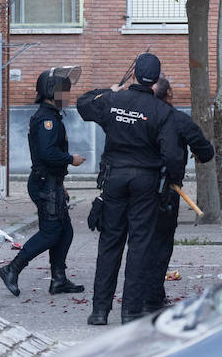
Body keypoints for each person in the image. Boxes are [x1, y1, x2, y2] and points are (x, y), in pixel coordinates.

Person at [77, 52, 186, 325]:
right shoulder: (161, 111)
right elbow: (172, 155)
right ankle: (130, 310)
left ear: (135, 74)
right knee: (139, 245)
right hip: (145, 182)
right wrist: (171, 182)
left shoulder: (114, 101)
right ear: (156, 80)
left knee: (109, 243)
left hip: (114, 178)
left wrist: (108, 90)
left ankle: (99, 311)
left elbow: (83, 104)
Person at [0, 68, 88, 298]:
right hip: (44, 183)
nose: (67, 96)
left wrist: (61, 182)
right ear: (51, 92)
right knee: (51, 232)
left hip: (51, 181)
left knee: (65, 231)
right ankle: (12, 269)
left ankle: (59, 279)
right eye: (63, 92)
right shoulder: (47, 119)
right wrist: (71, 159)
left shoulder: (52, 115)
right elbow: (47, 153)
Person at [141, 77, 214, 314]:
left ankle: (144, 295)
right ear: (170, 94)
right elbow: (205, 151)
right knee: (161, 243)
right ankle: (152, 298)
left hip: (137, 188)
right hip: (164, 189)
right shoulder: (176, 119)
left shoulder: (138, 116)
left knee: (141, 241)